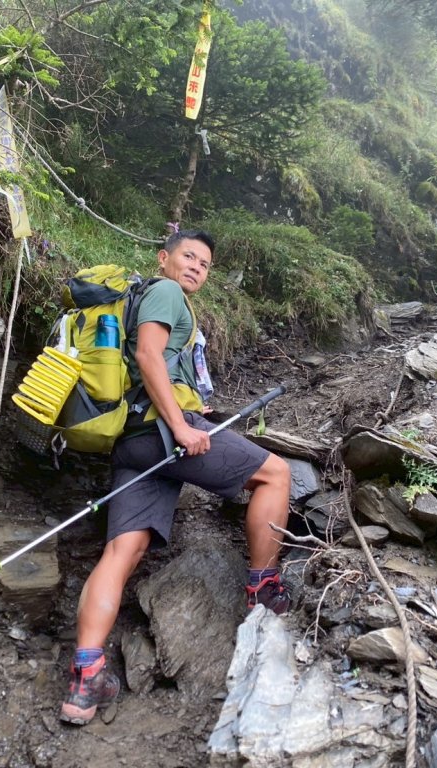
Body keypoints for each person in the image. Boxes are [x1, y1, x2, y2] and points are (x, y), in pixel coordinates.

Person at [60, 229, 293, 726]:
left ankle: (86, 677)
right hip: (163, 434)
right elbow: (148, 356)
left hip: (129, 441)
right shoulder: (164, 293)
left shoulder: (141, 297)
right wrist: (184, 425)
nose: (196, 268)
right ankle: (264, 589)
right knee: (275, 474)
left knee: (122, 551)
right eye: (189, 256)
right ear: (164, 258)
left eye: (205, 264)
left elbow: (154, 361)